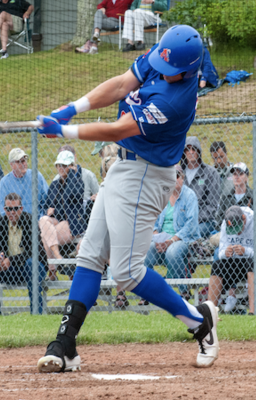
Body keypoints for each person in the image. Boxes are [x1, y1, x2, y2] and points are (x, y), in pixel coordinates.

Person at [36, 25, 219, 372]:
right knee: (90, 255)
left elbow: (119, 128)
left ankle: (199, 322)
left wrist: (64, 131)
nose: (160, 70)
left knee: (126, 272)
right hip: (123, 167)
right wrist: (72, 108)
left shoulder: (175, 101)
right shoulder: (164, 56)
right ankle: (64, 345)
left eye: (169, 69)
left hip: (147, 177)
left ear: (188, 69)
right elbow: (122, 85)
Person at [0, 193, 47, 315]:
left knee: (31, 263)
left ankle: (36, 313)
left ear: (21, 208)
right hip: (10, 270)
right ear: (4, 209)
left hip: (32, 268)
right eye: (8, 209)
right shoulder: (1, 222)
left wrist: (11, 260)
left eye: (15, 208)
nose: (12, 212)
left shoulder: (30, 221)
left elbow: (34, 251)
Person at [143, 165, 200, 300]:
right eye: (170, 176)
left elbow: (191, 225)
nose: (174, 179)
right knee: (146, 252)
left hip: (183, 239)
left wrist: (172, 240)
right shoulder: (162, 195)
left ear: (182, 178)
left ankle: (184, 291)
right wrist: (157, 238)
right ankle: (149, 291)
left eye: (177, 176)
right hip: (162, 240)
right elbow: (153, 222)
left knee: (172, 252)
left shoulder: (190, 195)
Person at [208, 206, 256, 315]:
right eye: (233, 230)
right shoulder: (226, 223)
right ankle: (210, 312)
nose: (237, 233)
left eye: (238, 228)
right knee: (217, 265)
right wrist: (225, 252)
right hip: (236, 263)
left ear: (244, 218)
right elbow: (220, 253)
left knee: (252, 263)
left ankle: (254, 312)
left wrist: (246, 251)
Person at [39, 151, 87, 281]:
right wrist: (53, 210)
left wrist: (72, 174)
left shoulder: (77, 183)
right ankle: (57, 256)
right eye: (58, 165)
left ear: (72, 166)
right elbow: (48, 207)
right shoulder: (55, 184)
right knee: (43, 220)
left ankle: (52, 270)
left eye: (64, 165)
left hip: (71, 223)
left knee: (45, 236)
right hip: (57, 221)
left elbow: (69, 196)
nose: (60, 168)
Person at [180, 136, 220, 238]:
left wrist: (192, 219)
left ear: (199, 151)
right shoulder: (179, 173)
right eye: (187, 149)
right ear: (184, 152)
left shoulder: (210, 173)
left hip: (204, 221)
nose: (191, 152)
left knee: (187, 235)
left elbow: (212, 205)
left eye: (194, 149)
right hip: (181, 220)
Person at [0, 148, 48, 218]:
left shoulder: (36, 176)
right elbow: (3, 210)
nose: (24, 164)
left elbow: (47, 202)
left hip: (37, 221)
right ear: (12, 165)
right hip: (15, 222)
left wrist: (41, 219)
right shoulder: (5, 182)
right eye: (19, 162)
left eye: (24, 160)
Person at [215, 162, 253, 230]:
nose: (237, 176)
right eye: (234, 174)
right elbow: (219, 220)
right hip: (228, 231)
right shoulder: (225, 197)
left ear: (246, 177)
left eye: (240, 174)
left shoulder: (253, 197)